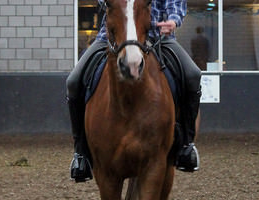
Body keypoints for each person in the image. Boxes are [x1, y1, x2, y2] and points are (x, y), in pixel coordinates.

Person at [66, 0, 201, 182]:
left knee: (192, 75)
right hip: (113, 38)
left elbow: (174, 3)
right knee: (73, 81)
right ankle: (80, 153)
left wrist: (173, 20)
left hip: (157, 35)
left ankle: (186, 145)